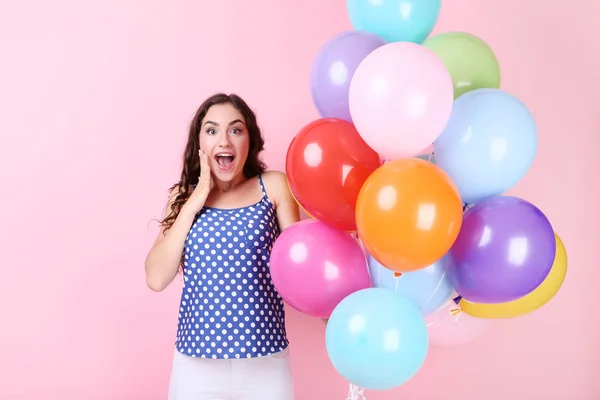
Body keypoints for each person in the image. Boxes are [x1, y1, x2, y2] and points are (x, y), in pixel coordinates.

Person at [145, 93, 300, 400]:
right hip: (196, 365)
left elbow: (300, 266)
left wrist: (334, 314)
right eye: (212, 130)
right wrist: (194, 201)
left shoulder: (273, 186)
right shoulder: (182, 197)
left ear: (249, 140)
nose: (224, 140)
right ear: (200, 143)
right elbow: (156, 278)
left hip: (265, 361)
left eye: (236, 129)